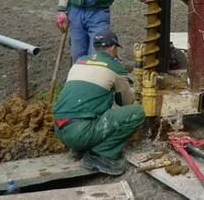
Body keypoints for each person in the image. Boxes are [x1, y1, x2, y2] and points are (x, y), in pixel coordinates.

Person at [53, 30, 145, 175]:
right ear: (113, 48)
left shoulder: (80, 62)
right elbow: (126, 102)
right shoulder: (114, 67)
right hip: (80, 132)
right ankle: (99, 155)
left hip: (60, 129)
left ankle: (79, 148)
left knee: (93, 105)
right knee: (136, 112)